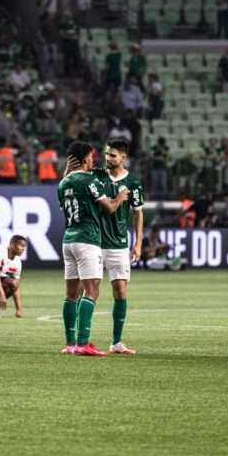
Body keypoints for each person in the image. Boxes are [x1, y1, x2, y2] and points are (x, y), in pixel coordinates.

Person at [58, 142, 129, 356]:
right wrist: (120, 198)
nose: (93, 160)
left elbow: (64, 203)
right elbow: (108, 208)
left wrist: (66, 171)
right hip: (87, 240)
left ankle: (70, 344)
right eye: (91, 156)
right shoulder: (90, 181)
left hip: (68, 240)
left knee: (71, 294)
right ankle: (83, 343)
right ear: (84, 160)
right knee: (91, 291)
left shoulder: (62, 184)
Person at [93, 140, 144, 355]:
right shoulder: (97, 176)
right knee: (89, 291)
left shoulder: (133, 183)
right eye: (107, 154)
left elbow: (138, 213)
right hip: (94, 242)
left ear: (123, 157)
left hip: (118, 245)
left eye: (113, 155)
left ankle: (116, 342)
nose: (108, 158)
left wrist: (138, 243)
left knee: (120, 292)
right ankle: (79, 339)